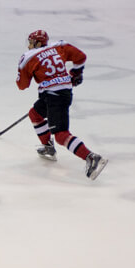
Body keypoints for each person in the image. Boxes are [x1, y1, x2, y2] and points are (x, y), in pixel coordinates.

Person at [16, 29, 108, 180]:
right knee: (35, 114)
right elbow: (81, 57)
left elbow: (22, 85)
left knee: (60, 135)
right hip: (60, 93)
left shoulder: (28, 57)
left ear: (38, 43)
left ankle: (91, 157)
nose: (29, 46)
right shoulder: (59, 46)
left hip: (54, 96)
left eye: (31, 43)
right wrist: (76, 73)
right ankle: (48, 148)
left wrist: (27, 73)